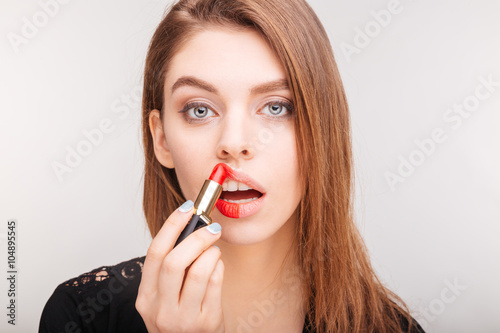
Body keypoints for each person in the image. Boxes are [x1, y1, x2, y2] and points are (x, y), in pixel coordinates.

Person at [39, 0, 425, 332]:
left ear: (322, 131)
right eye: (200, 110)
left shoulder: (390, 327)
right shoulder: (82, 316)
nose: (234, 144)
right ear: (161, 139)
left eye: (277, 107)